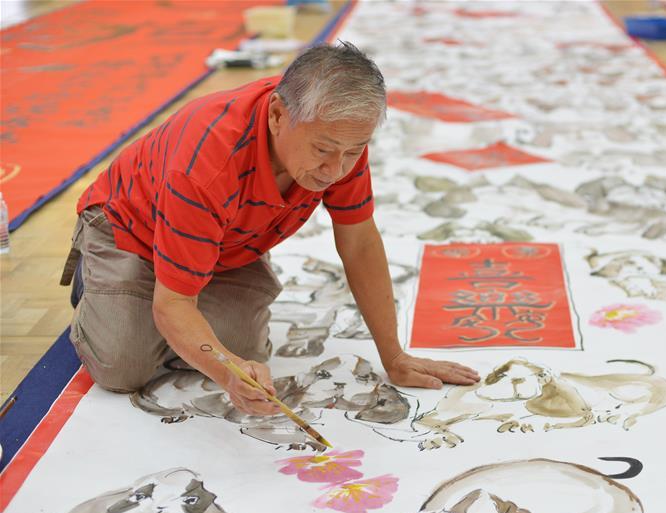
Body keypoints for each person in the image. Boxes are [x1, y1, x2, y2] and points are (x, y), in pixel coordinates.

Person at [60, 42, 480, 415]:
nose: (336, 170)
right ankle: (104, 286)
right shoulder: (206, 165)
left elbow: (359, 243)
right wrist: (221, 367)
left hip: (224, 244)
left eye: (354, 151)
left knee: (244, 351)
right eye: (323, 150)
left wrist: (394, 356)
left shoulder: (338, 138)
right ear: (278, 114)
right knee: (123, 366)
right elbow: (174, 304)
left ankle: (148, 299)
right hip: (132, 231)